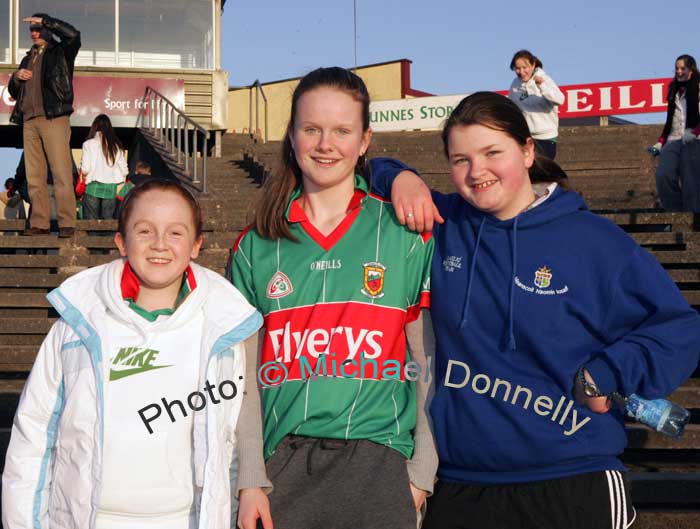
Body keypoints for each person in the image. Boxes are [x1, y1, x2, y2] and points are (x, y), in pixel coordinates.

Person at [371, 91, 700, 529]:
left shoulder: (592, 240)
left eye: (493, 153)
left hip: (571, 477)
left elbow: (679, 328)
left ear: (528, 151)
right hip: (460, 484)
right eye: (460, 159)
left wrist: (609, 372)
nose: (477, 172)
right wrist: (400, 177)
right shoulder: (446, 223)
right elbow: (360, 167)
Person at [229, 67, 437, 529]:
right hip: (282, 465)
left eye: (342, 131)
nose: (326, 144)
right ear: (291, 136)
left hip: (379, 464)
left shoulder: (405, 234)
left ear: (364, 141)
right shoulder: (255, 245)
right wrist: (250, 481)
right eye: (312, 129)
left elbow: (426, 364)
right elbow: (242, 379)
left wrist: (422, 473)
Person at [2, 179, 263, 529]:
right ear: (121, 242)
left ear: (197, 245)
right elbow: (32, 439)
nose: (159, 244)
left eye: (175, 233)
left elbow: (228, 443)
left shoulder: (222, 330)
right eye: (144, 231)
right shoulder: (76, 328)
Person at [9, 13, 80, 237]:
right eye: (32, 30)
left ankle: (67, 222)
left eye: (38, 29)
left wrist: (46, 20)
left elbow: (74, 35)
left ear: (48, 29)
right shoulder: (27, 57)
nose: (35, 33)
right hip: (29, 121)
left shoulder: (61, 52)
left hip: (54, 118)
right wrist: (16, 77)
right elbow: (13, 91)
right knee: (34, 176)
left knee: (60, 173)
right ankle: (39, 223)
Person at [650, 54, 700, 211]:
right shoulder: (673, 89)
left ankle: (692, 218)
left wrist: (695, 132)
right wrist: (661, 142)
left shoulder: (698, 87)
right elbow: (670, 119)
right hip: (673, 138)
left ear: (691, 70)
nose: (679, 71)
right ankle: (674, 213)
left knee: (690, 180)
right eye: (677, 68)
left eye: (682, 68)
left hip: (692, 138)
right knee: (663, 175)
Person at [508, 49, 564, 160]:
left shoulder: (544, 79)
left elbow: (560, 100)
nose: (521, 71)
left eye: (525, 67)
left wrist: (542, 86)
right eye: (517, 68)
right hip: (526, 137)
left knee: (542, 172)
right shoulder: (515, 84)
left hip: (545, 137)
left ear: (533, 65)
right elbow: (512, 108)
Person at [79, 114, 128, 219]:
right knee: (108, 222)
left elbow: (85, 169)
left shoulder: (88, 144)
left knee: (91, 223)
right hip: (110, 188)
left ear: (94, 127)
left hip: (92, 187)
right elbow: (124, 171)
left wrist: (81, 168)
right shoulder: (116, 145)